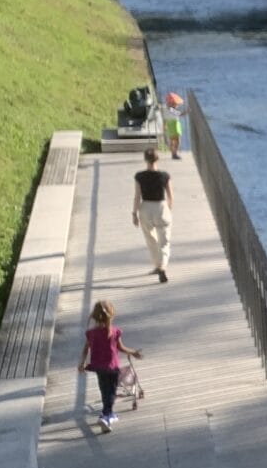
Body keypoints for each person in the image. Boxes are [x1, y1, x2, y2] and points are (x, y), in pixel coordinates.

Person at [77, 299, 142, 434]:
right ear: (111, 315)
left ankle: (107, 414)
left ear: (94, 316)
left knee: (104, 389)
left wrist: (82, 362)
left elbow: (85, 350)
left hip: (98, 368)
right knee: (111, 392)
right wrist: (133, 352)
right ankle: (106, 416)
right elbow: (121, 347)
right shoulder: (115, 332)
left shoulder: (91, 333)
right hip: (112, 368)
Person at [133, 148, 174, 281]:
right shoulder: (165, 176)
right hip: (161, 207)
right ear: (158, 159)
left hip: (145, 207)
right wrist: (168, 209)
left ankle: (158, 265)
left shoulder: (139, 176)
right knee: (164, 240)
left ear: (145, 159)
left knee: (151, 239)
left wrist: (134, 213)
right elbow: (170, 196)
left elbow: (137, 197)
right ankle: (162, 266)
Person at [162, 94, 186, 160]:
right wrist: (187, 111)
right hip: (175, 125)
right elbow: (181, 114)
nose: (176, 105)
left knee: (172, 140)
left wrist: (164, 126)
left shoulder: (165, 109)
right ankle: (174, 154)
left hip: (169, 125)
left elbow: (164, 119)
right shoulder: (172, 110)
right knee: (177, 141)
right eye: (175, 104)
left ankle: (173, 153)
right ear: (172, 103)